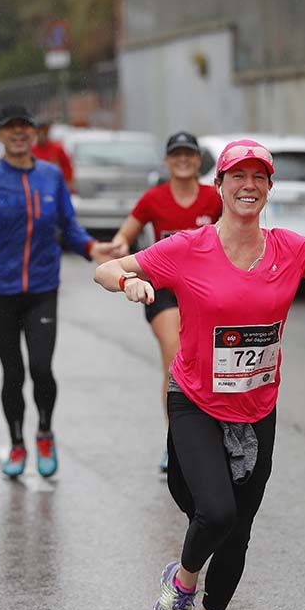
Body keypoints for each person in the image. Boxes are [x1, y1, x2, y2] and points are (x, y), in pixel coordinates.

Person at [94, 139, 305, 610]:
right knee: (216, 513)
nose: (249, 186)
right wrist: (129, 282)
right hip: (195, 401)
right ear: (218, 186)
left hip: (256, 409)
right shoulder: (188, 247)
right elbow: (106, 270)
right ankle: (180, 585)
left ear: (269, 189)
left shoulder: (288, 249)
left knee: (238, 534)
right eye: (237, 177)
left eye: (259, 178)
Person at [0, 105, 118, 479]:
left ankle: (44, 432)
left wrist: (91, 249)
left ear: (34, 135)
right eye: (10, 128)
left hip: (42, 288)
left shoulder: (51, 177)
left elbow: (69, 225)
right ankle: (17, 443)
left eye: (25, 128)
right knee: (13, 372)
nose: (18, 134)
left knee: (41, 367)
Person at [110, 131, 222, 472]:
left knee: (211, 365)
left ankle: (214, 436)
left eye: (190, 153)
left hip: (209, 293)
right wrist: (116, 248)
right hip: (164, 291)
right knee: (175, 357)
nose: (184, 159)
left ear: (199, 160)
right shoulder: (154, 199)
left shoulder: (214, 198)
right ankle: (176, 441)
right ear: (167, 161)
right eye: (177, 154)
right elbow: (125, 235)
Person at [30, 119, 74, 190]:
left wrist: (68, 183)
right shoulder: (31, 150)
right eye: (39, 132)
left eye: (44, 132)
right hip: (36, 186)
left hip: (55, 185)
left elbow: (67, 167)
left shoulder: (57, 149)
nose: (42, 135)